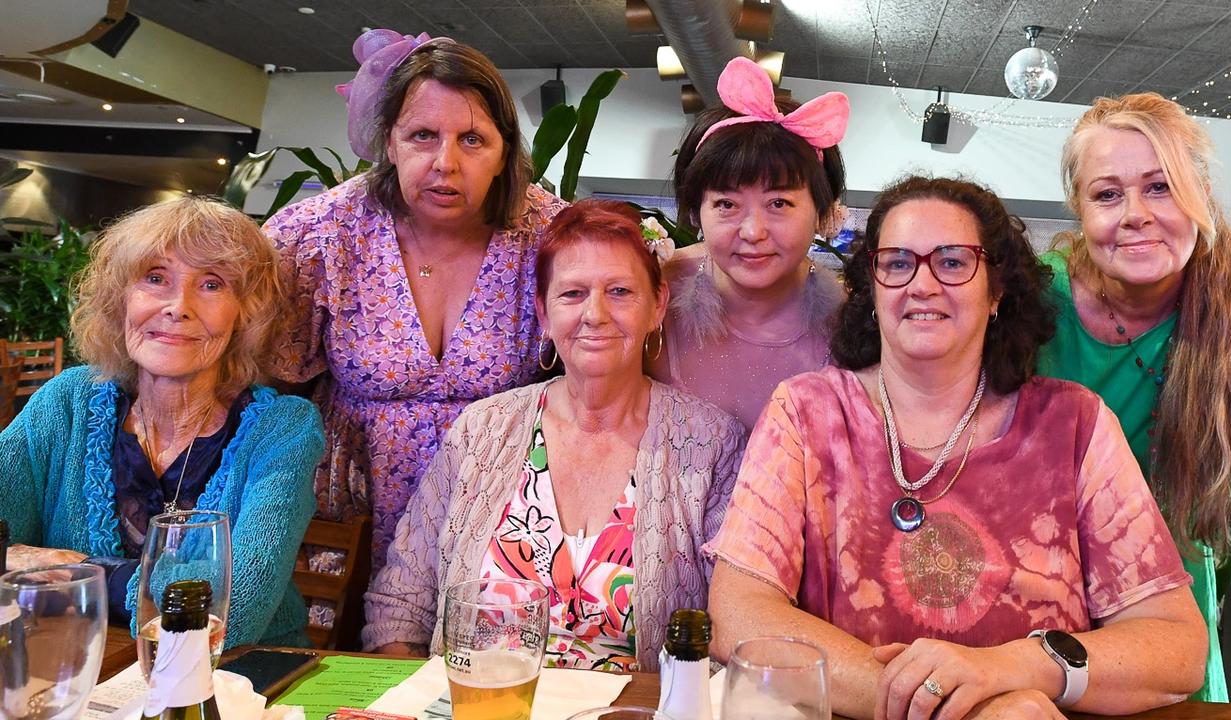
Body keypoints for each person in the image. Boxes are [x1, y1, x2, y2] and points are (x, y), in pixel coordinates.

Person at [705, 176, 1207, 719]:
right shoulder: (807, 411)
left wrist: (1021, 668)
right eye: (898, 263)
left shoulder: (1075, 423)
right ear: (871, 290)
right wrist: (951, 707)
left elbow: (1177, 647)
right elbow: (738, 613)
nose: (921, 285)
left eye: (951, 262)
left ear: (997, 292)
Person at [363, 199, 745, 671]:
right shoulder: (481, 431)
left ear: (657, 305)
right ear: (543, 312)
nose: (595, 314)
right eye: (572, 294)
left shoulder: (712, 444)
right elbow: (399, 607)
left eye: (620, 291)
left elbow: (729, 635)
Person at [264, 29, 566, 571]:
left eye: (473, 140)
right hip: (350, 516)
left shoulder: (552, 235)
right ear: (389, 143)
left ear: (504, 153)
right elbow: (269, 386)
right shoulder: (322, 235)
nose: (445, 162)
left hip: (504, 518)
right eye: (423, 135)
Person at [1038, 92, 1231, 702]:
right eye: (1108, 194)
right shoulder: (1031, 305)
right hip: (1037, 586)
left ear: (1198, 193)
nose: (1135, 214)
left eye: (1161, 187)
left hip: (1167, 601)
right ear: (1079, 209)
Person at [0, 197, 323, 648]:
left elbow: (234, 609)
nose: (178, 306)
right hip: (77, 670)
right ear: (121, 298)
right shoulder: (66, 401)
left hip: (238, 682)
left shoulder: (285, 429)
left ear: (245, 313)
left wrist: (75, 576)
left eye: (212, 285)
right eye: (155, 278)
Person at [649, 56, 848, 429]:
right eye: (726, 204)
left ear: (821, 211)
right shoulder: (651, 296)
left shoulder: (850, 327)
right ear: (696, 210)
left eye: (779, 203)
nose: (753, 231)